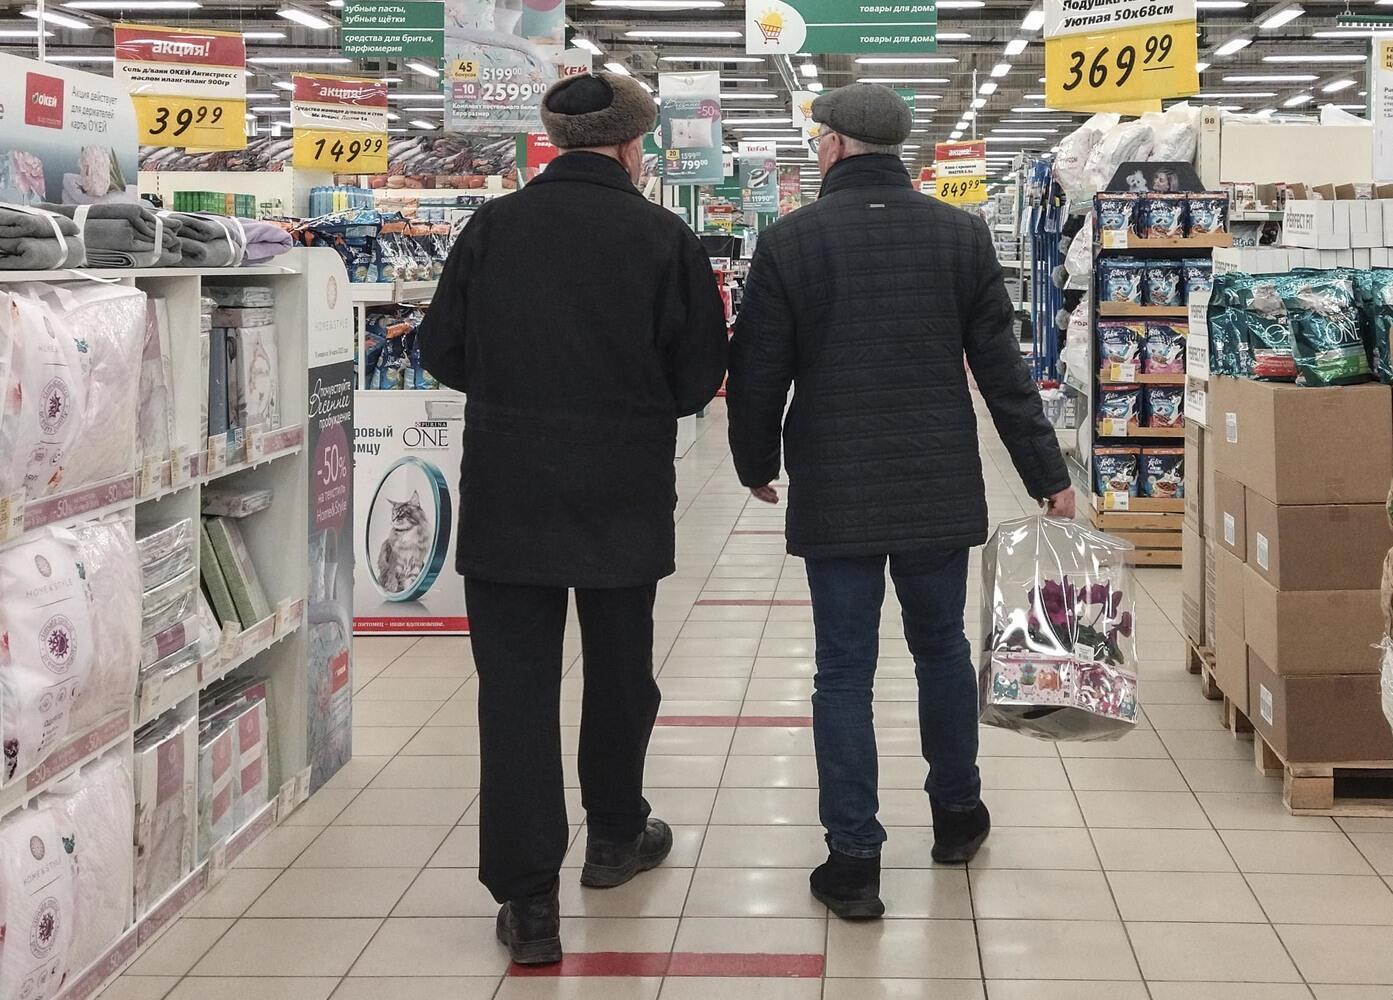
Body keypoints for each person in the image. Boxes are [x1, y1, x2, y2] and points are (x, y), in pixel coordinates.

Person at [725, 83, 1074, 920]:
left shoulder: (791, 240)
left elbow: (758, 369)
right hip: (934, 481)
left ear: (835, 145)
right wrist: (1046, 472)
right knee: (940, 650)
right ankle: (956, 816)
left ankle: (853, 861)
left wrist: (755, 460)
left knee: (842, 670)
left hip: (835, 486)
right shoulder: (958, 235)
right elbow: (1002, 371)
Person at [417, 70, 729, 963]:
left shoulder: (492, 227)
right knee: (622, 673)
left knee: (515, 690)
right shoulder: (664, 237)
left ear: (555, 141)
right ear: (633, 146)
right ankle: (615, 837)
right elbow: (697, 376)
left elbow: (440, 349)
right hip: (620, 490)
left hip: (509, 490)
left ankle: (529, 903)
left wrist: (515, 389)